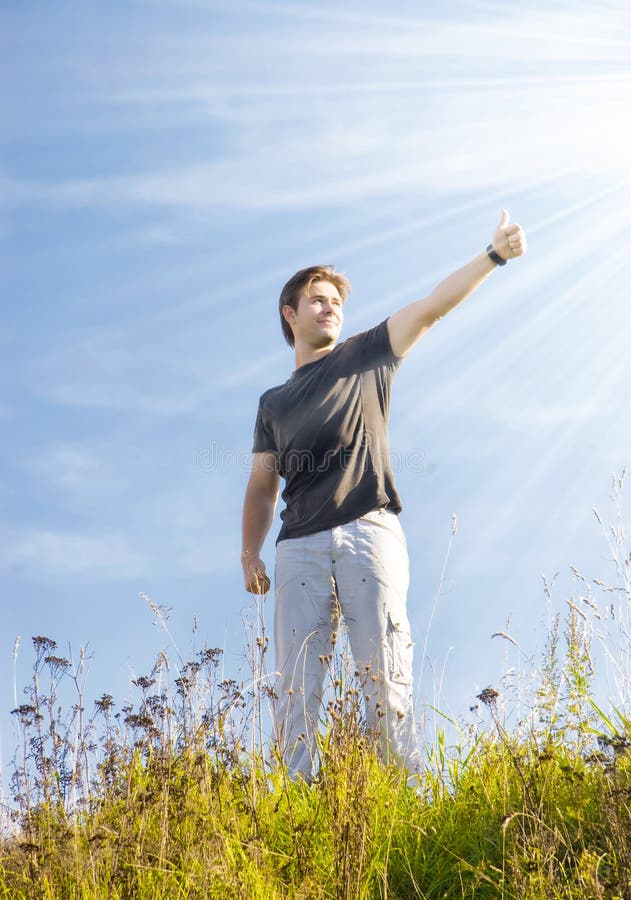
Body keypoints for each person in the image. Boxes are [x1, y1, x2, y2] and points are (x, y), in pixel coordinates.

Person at [241, 210, 527, 782]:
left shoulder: (366, 354)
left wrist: (492, 256)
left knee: (384, 673)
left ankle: (400, 803)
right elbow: (261, 485)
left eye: (336, 302)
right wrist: (249, 553)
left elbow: (432, 305)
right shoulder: (272, 402)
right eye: (318, 300)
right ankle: (295, 809)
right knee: (294, 687)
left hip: (367, 531)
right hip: (297, 546)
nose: (331, 308)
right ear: (289, 314)